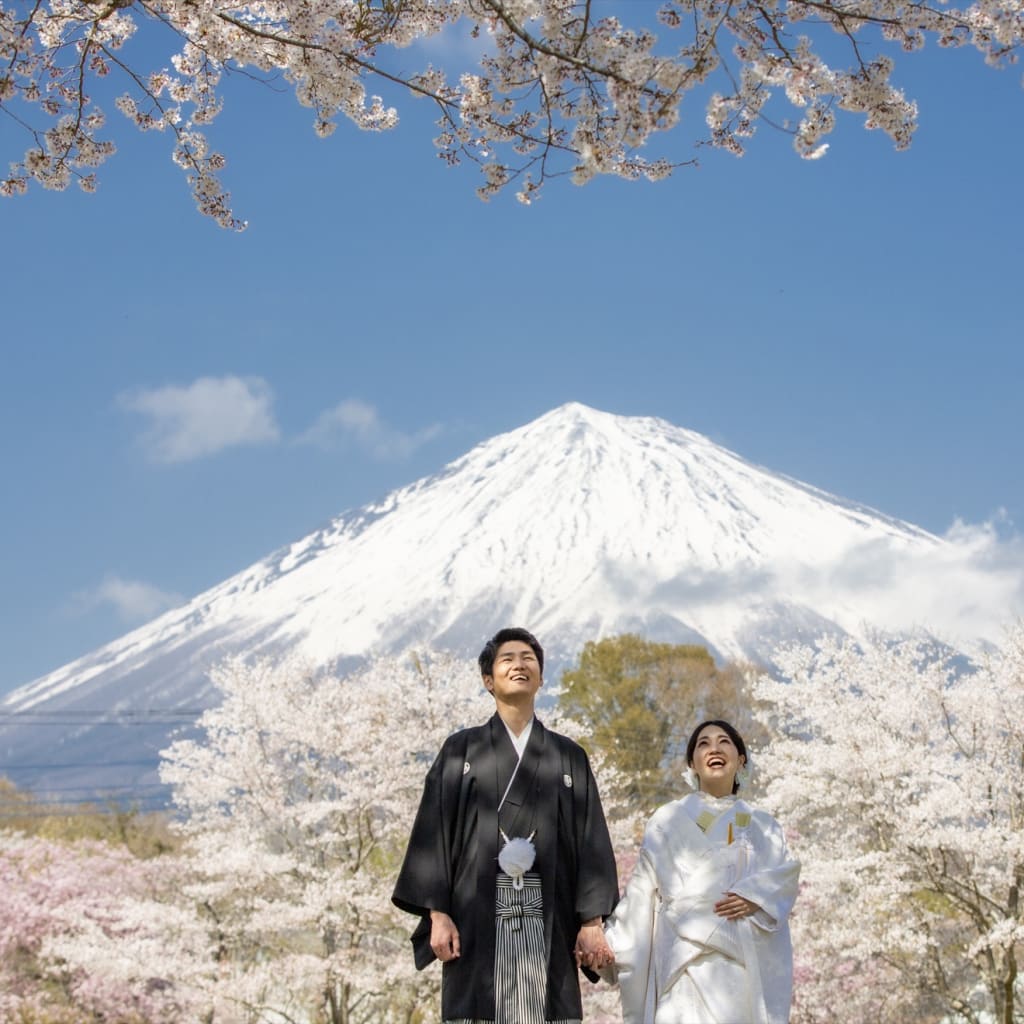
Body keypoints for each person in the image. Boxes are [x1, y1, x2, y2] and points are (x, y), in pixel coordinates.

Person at [392, 627, 619, 1024]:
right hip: (474, 913)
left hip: (549, 910)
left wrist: (591, 922)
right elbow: (434, 832)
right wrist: (438, 914)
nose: (519, 664)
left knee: (548, 1009)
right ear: (487, 680)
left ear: (541, 677)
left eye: (528, 658)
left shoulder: (568, 756)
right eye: (507, 659)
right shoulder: (460, 751)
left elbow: (592, 841)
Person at [604, 720, 799, 1024]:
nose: (714, 749)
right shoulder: (667, 819)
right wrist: (606, 945)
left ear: (741, 759)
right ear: (692, 764)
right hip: (681, 964)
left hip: (739, 965)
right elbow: (642, 891)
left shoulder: (764, 825)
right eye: (703, 744)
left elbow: (785, 877)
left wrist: (756, 897)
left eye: (724, 742)